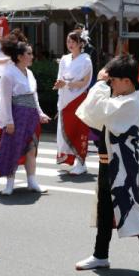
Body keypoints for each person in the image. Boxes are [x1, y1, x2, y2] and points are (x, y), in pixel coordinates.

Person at [74, 55, 139, 276]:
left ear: (127, 81)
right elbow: (92, 114)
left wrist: (100, 84)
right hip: (107, 163)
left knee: (131, 207)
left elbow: (98, 110)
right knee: (104, 210)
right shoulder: (120, 97)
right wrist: (103, 84)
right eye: (110, 80)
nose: (110, 83)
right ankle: (100, 255)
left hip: (124, 165)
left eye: (114, 80)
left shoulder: (130, 101)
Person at [0, 35, 51, 195]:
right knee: (13, 147)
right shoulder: (8, 74)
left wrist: (40, 113)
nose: (32, 56)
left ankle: (32, 181)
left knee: (31, 149)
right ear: (19, 57)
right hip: (17, 114)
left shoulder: (30, 73)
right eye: (29, 54)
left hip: (31, 115)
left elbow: (34, 96)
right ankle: (9, 183)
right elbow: (5, 100)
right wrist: (8, 121)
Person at [54, 30, 94, 176]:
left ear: (80, 43)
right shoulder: (64, 59)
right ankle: (74, 159)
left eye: (73, 41)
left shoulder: (86, 59)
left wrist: (67, 84)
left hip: (78, 98)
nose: (69, 44)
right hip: (65, 98)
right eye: (68, 41)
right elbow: (60, 77)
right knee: (67, 129)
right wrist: (59, 84)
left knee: (79, 129)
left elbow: (85, 81)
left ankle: (81, 162)